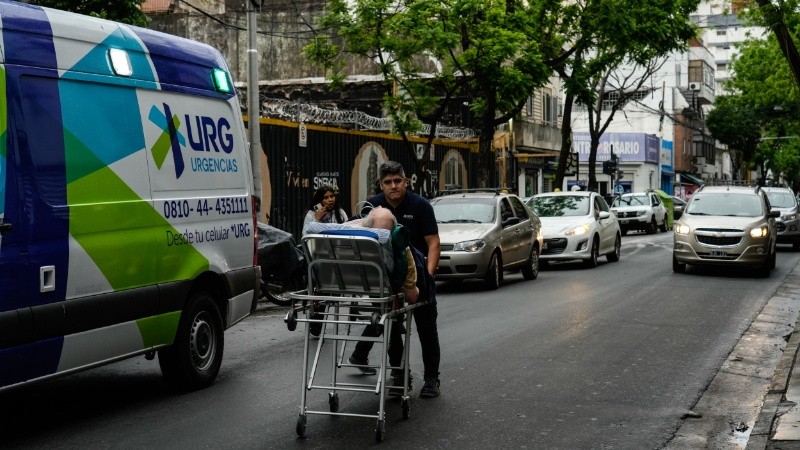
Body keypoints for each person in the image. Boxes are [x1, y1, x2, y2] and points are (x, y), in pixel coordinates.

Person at [359, 161, 442, 398]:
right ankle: (399, 375)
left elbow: (433, 243)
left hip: (419, 275)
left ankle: (432, 379)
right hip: (386, 279)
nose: (393, 186)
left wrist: (428, 274)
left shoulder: (421, 206)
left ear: (406, 181)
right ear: (381, 185)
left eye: (398, 181)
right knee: (392, 329)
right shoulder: (372, 206)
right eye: (388, 182)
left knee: (427, 329)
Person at [347, 207, 419, 377]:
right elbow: (412, 294)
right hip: (385, 289)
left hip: (361, 284)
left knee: (382, 317)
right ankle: (400, 375)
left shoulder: (350, 236)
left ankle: (360, 354)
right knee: (390, 320)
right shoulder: (402, 252)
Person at [302, 186, 348, 337]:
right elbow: (305, 235)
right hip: (320, 256)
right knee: (323, 289)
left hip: (339, 255)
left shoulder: (340, 213)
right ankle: (316, 323)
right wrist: (316, 220)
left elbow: (347, 229)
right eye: (326, 197)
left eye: (332, 196)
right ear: (319, 201)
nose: (330, 200)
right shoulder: (312, 214)